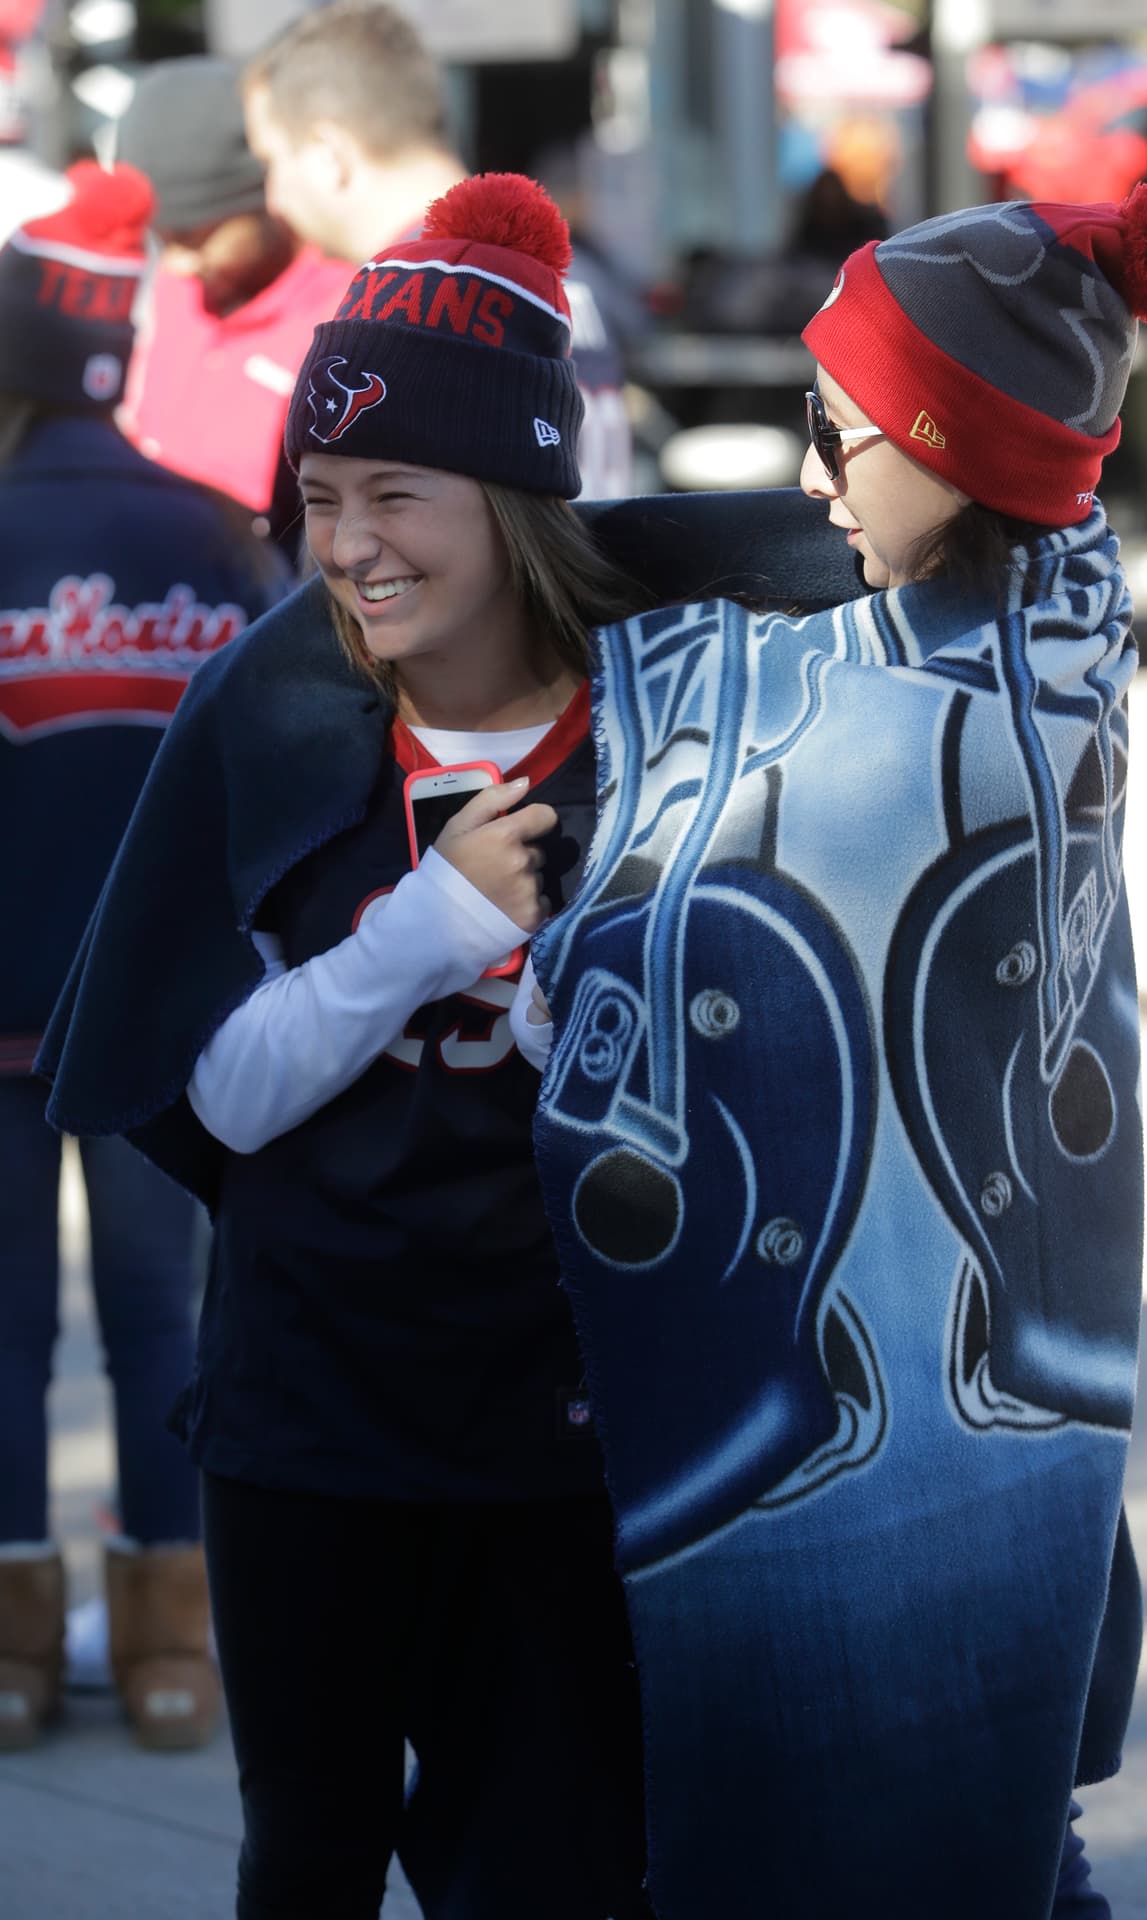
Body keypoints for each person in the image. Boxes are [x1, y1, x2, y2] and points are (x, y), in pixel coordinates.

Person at [520, 183, 1147, 1917]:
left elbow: (673, 914)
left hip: (925, 1457)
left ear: (947, 445)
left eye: (834, 436)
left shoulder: (938, 726)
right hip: (1020, 1435)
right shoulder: (1064, 620)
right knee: (1015, 1845)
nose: (809, 479)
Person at [40, 172, 652, 1920]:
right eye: (319, 499)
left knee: (553, 1865)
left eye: (398, 491)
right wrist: (429, 934)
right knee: (305, 1854)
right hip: (314, 1408)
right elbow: (215, 1091)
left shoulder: (669, 712)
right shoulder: (281, 698)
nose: (354, 542)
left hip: (569, 1414)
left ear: (523, 495)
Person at [0, 160, 285, 1753]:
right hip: (166, 1020)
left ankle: (13, 1654)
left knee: (2, 1335)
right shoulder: (211, 534)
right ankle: (178, 1653)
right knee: (165, 1325)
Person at [241, 0, 633, 498]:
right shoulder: (565, 275)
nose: (272, 199)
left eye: (271, 160)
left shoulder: (408, 307)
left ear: (327, 155)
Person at [114, 55, 350, 546]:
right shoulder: (175, 286)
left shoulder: (345, 311)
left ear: (263, 195)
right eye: (160, 240)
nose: (177, 265)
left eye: (194, 236)